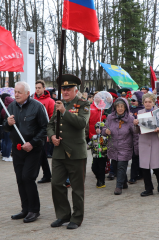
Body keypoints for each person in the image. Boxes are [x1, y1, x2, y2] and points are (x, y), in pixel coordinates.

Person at [47, 74, 90, 230]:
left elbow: (81, 124)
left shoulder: (83, 104)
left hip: (76, 153)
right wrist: (52, 136)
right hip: (59, 152)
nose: (65, 92)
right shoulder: (58, 104)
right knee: (56, 183)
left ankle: (77, 218)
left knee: (77, 188)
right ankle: (63, 215)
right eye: (63, 89)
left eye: (68, 89)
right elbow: (50, 124)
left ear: (75, 89)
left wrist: (65, 111)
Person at [3, 82, 47, 223]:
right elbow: (5, 127)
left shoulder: (37, 107)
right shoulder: (11, 107)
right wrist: (7, 123)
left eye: (19, 92)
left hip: (33, 149)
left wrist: (32, 143)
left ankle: (34, 210)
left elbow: (45, 128)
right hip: (17, 150)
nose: (16, 94)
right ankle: (25, 209)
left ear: (28, 93)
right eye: (15, 92)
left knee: (28, 177)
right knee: (20, 179)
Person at [133, 93, 159, 197]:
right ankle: (148, 188)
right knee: (145, 167)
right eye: (145, 102)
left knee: (156, 166)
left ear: (153, 102)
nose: (147, 104)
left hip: (155, 141)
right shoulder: (140, 112)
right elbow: (136, 131)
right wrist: (135, 124)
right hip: (144, 141)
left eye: (149, 102)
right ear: (143, 103)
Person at [103, 98, 138, 195]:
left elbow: (135, 134)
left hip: (125, 147)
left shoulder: (130, 119)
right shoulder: (110, 117)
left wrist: (136, 147)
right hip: (113, 146)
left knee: (121, 166)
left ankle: (118, 187)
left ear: (126, 107)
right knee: (115, 165)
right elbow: (105, 128)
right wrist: (105, 131)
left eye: (122, 106)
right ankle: (124, 182)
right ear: (115, 107)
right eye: (118, 106)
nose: (120, 108)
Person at [33, 80, 55, 183]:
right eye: (36, 88)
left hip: (44, 132)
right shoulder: (32, 100)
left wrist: (48, 133)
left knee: (42, 155)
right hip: (34, 132)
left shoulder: (50, 101)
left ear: (44, 88)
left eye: (39, 88)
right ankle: (47, 174)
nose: (37, 90)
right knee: (41, 155)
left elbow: (52, 117)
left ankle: (46, 175)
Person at [128, 91, 144, 184]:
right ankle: (133, 176)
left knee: (140, 157)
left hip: (140, 137)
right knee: (134, 157)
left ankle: (139, 174)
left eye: (134, 100)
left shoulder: (142, 110)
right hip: (131, 137)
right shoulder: (129, 110)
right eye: (131, 100)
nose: (132, 102)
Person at [88, 122, 108, 188]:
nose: (97, 129)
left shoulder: (105, 138)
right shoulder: (93, 137)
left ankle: (101, 182)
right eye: (96, 128)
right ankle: (98, 178)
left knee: (101, 169)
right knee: (94, 168)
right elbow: (89, 145)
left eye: (99, 128)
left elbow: (109, 147)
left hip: (102, 156)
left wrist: (103, 149)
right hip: (95, 156)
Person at [0, 93, 14, 161]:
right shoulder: (10, 108)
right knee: (9, 142)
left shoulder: (4, 108)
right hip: (8, 126)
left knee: (5, 141)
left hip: (4, 124)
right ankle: (7, 155)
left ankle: (4, 155)